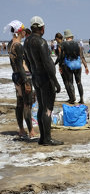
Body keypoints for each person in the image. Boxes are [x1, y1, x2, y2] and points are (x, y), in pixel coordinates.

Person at [23, 15, 62, 147]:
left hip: (36, 77)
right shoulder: (41, 42)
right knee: (47, 109)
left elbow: (27, 61)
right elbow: (47, 63)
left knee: (41, 108)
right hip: (45, 78)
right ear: (41, 28)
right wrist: (55, 81)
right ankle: (47, 139)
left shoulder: (27, 42)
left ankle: (42, 138)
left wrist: (34, 73)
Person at [7, 20, 36, 141]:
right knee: (27, 104)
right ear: (19, 31)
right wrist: (26, 81)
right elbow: (20, 64)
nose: (25, 32)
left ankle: (21, 129)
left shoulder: (10, 44)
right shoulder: (18, 45)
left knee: (19, 103)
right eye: (23, 30)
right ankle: (31, 130)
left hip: (15, 75)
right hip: (23, 75)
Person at [58, 29, 89, 104]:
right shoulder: (77, 44)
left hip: (68, 65)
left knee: (70, 82)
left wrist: (60, 66)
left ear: (65, 37)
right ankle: (81, 99)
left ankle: (73, 98)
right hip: (78, 65)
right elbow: (82, 57)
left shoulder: (63, 44)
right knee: (79, 82)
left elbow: (61, 56)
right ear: (71, 36)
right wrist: (86, 66)